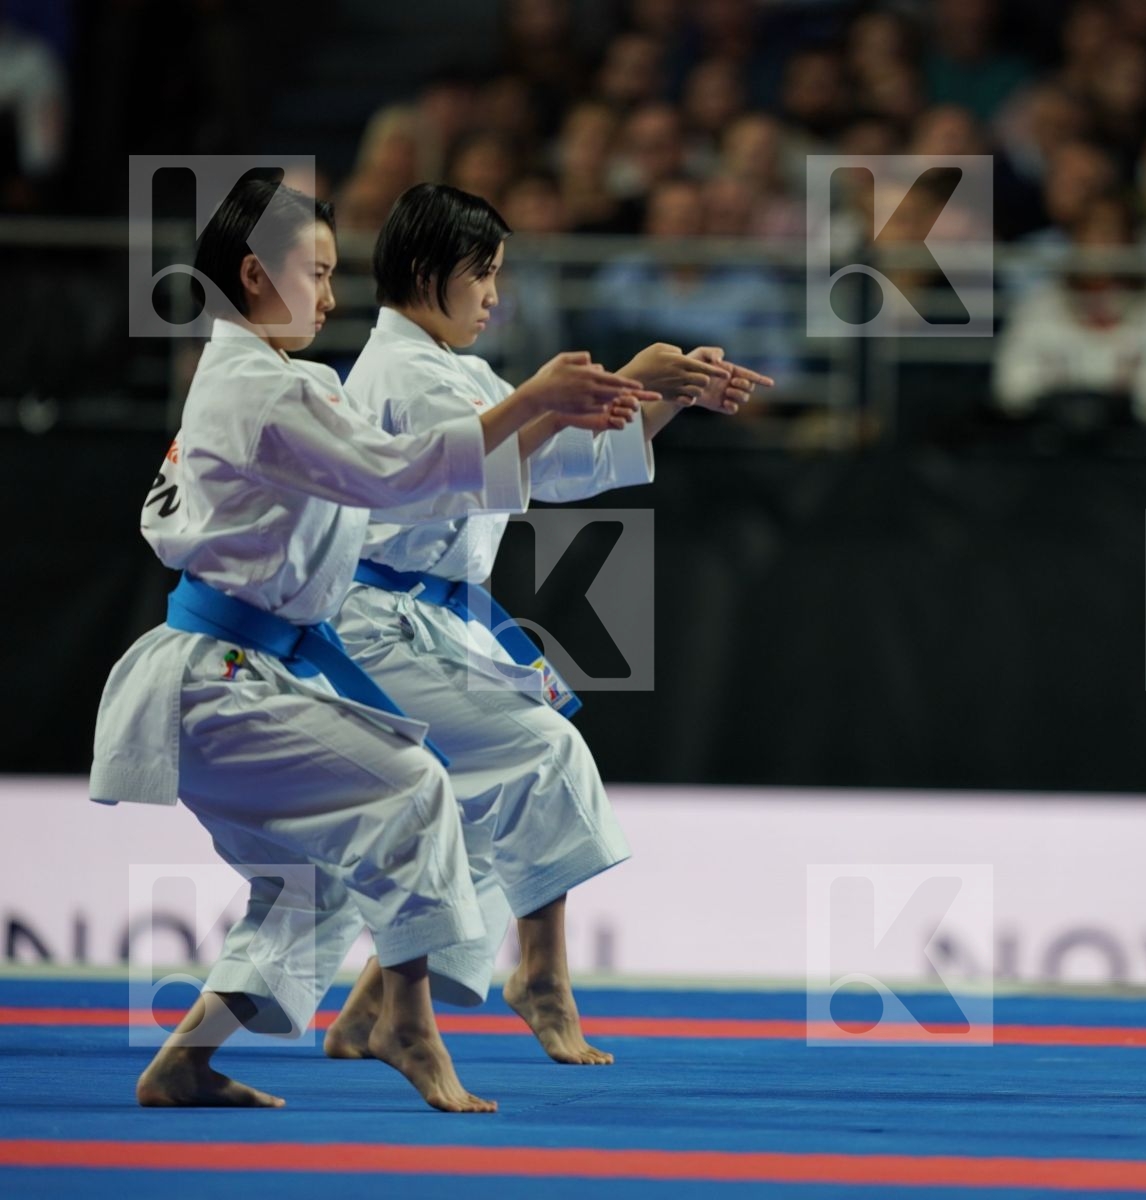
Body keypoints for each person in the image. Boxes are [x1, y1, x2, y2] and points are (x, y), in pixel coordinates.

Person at [89, 176, 643, 1112]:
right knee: (416, 783)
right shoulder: (260, 389)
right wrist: (538, 399)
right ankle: (406, 1023)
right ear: (257, 275)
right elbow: (393, 477)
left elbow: (403, 477)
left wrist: (553, 405)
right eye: (317, 272)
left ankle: (185, 1059)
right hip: (225, 673)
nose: (334, 295)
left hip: (252, 665)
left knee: (311, 878)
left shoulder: (267, 381)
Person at [304, 183, 766, 1066]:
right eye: (483, 276)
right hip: (373, 623)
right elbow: (462, 467)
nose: (494, 296)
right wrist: (618, 380)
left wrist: (666, 395)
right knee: (542, 754)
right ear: (426, 273)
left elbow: (567, 470)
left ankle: (372, 1008)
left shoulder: (460, 370)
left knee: (476, 811)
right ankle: (542, 978)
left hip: (431, 622)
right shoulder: (399, 370)